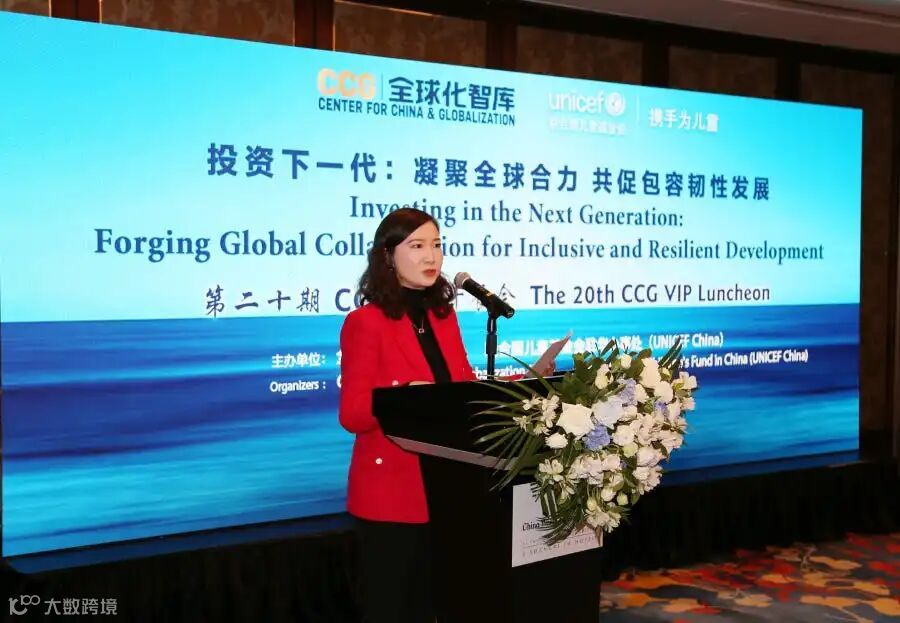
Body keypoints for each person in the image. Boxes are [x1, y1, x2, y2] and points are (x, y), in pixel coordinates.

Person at [339, 208, 553, 622]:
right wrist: (405, 395)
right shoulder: (365, 323)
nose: (431, 256)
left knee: (442, 605)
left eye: (436, 245)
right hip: (392, 494)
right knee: (392, 610)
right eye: (417, 246)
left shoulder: (442, 316)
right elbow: (353, 415)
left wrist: (523, 381)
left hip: (450, 488)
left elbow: (462, 390)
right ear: (387, 256)